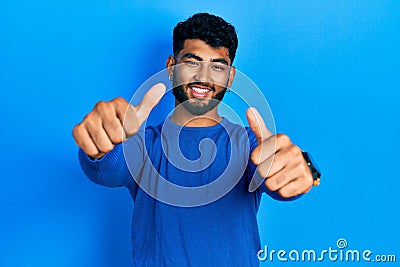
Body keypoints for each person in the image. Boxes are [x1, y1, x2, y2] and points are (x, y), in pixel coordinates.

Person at [73, 13, 319, 266]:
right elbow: (108, 169)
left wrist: (302, 169)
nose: (204, 76)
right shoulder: (144, 144)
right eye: (192, 62)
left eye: (217, 66)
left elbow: (278, 175)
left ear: (230, 77)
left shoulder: (249, 144)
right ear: (171, 67)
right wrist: (99, 145)